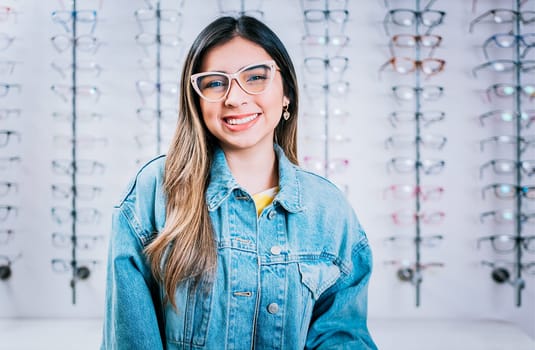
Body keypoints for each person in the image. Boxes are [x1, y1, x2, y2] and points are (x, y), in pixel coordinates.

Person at [101, 15, 376, 350]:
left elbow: (341, 338)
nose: (234, 97)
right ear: (197, 100)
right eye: (216, 83)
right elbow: (131, 338)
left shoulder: (329, 212)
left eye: (256, 77)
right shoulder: (153, 194)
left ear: (286, 92)